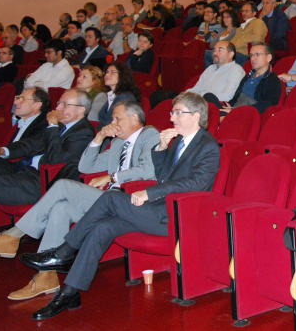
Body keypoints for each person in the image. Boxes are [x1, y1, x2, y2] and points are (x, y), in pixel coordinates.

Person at [22, 92, 219, 320]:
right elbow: (164, 176)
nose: (172, 117)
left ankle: (64, 251)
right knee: (102, 227)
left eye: (177, 112)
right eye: (172, 111)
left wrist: (150, 191)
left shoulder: (208, 145)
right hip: (158, 209)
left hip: (178, 216)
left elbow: (196, 183)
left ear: (195, 116)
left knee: (110, 198)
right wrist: (162, 148)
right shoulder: (178, 141)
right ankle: (69, 293)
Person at [0, 100, 160, 300]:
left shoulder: (150, 134)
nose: (112, 122)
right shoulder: (119, 142)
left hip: (127, 202)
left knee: (62, 185)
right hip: (105, 200)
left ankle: (14, 235)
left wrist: (111, 177)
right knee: (61, 208)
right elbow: (85, 167)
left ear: (134, 118)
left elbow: (149, 170)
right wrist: (100, 136)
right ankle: (46, 278)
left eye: (117, 118)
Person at [0, 89, 95, 206]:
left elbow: (56, 158)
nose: (58, 108)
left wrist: (53, 125)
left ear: (81, 109)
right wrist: (2, 150)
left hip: (37, 182)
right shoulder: (60, 125)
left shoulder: (84, 132)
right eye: (59, 103)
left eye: (64, 104)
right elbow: (31, 144)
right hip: (23, 169)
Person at [153, 42, 245, 109]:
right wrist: (186, 94)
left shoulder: (236, 70)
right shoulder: (210, 68)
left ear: (230, 54)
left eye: (220, 50)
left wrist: (198, 96)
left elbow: (227, 96)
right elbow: (196, 88)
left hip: (207, 104)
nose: (215, 53)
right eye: (214, 50)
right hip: (195, 99)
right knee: (157, 95)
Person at [224, 42, 282, 113]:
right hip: (236, 109)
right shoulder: (247, 76)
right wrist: (228, 105)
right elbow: (236, 97)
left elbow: (268, 104)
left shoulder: (273, 80)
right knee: (210, 98)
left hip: (249, 114)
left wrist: (238, 111)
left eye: (257, 55)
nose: (253, 58)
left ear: (268, 58)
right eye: (251, 55)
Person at [209, 2, 267, 66]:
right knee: (209, 54)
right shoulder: (240, 27)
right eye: (243, 11)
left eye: (247, 11)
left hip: (244, 54)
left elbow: (257, 38)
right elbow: (233, 40)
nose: (244, 13)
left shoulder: (258, 22)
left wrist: (237, 44)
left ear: (254, 13)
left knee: (207, 54)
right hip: (234, 52)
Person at [97, 62, 141, 127]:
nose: (107, 75)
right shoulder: (113, 95)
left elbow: (116, 124)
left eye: (112, 72)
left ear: (122, 75)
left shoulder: (125, 97)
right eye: (106, 72)